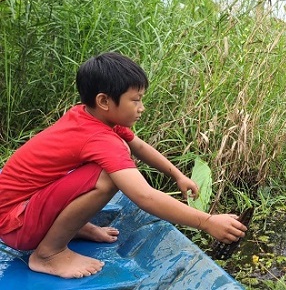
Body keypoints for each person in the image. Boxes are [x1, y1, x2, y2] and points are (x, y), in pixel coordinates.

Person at [0, 52, 248, 279]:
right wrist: (207, 222)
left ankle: (73, 227)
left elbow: (139, 146)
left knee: (107, 164)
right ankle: (48, 254)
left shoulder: (88, 115)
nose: (142, 108)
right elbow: (144, 196)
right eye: (135, 100)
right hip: (15, 224)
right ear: (104, 101)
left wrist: (177, 175)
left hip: (18, 209)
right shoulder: (100, 139)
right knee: (107, 177)